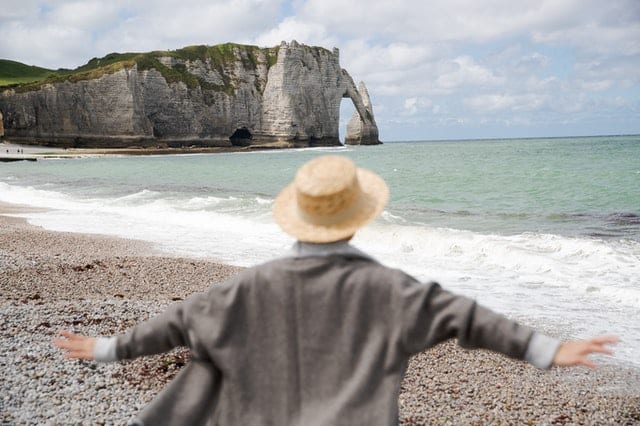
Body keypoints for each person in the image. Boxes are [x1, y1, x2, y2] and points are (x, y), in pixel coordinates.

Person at [53, 155, 618, 426]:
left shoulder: (247, 288)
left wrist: (108, 348)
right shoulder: (389, 290)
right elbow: (463, 316)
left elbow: (176, 322)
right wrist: (546, 350)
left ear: (296, 220)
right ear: (356, 218)